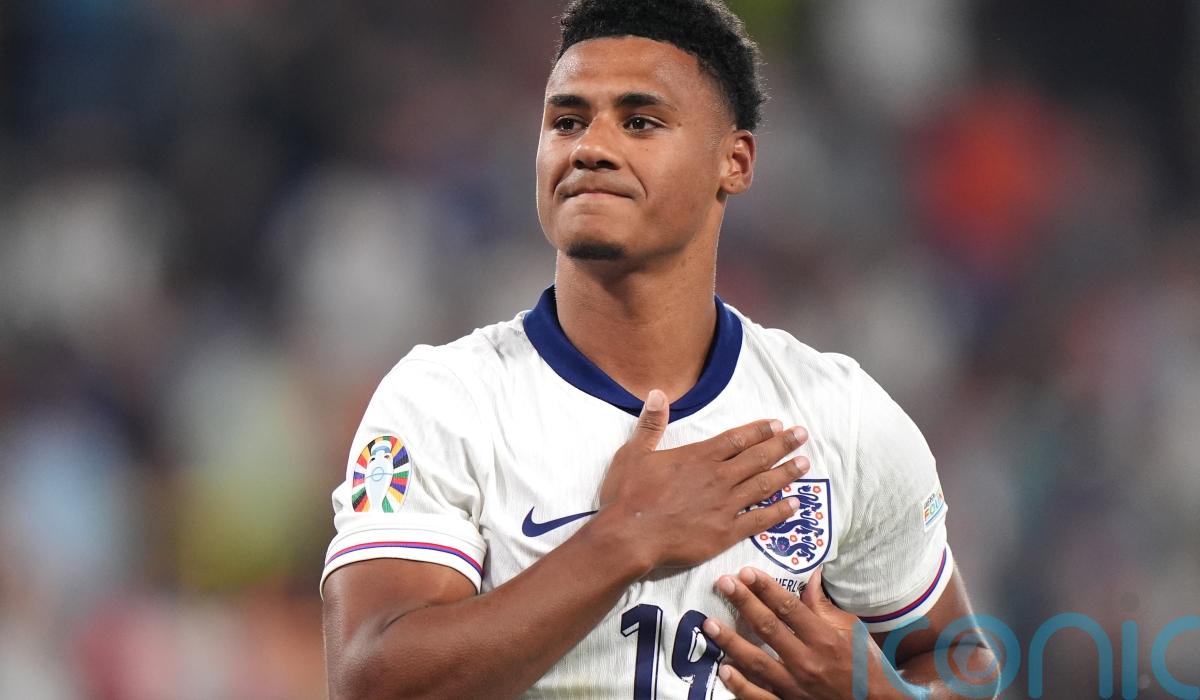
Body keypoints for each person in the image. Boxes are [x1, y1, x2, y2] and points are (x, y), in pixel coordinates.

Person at [321, 1, 999, 697]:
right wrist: (624, 539)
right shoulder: (445, 403)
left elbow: (962, 663)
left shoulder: (839, 416)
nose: (589, 147)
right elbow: (370, 681)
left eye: (640, 121)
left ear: (734, 161)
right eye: (566, 121)